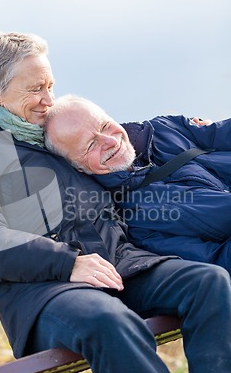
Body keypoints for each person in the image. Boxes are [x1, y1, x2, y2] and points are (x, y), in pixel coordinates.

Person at [0, 32, 231, 373]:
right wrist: (67, 262)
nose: (47, 98)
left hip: (120, 267)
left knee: (208, 282)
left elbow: (122, 140)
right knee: (105, 321)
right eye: (35, 88)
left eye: (51, 85)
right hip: (47, 291)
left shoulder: (52, 135)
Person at [44, 95, 231, 274]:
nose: (110, 141)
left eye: (105, 125)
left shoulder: (164, 129)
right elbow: (217, 260)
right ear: (78, 168)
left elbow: (220, 133)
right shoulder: (133, 221)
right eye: (91, 144)